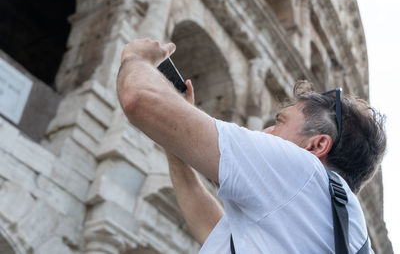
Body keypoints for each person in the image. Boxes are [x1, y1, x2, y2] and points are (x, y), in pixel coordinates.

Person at [117, 39, 386, 253]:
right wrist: (174, 141)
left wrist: (136, 58)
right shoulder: (343, 225)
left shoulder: (301, 171)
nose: (265, 131)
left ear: (316, 145)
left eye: (279, 122)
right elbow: (216, 233)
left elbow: (138, 99)